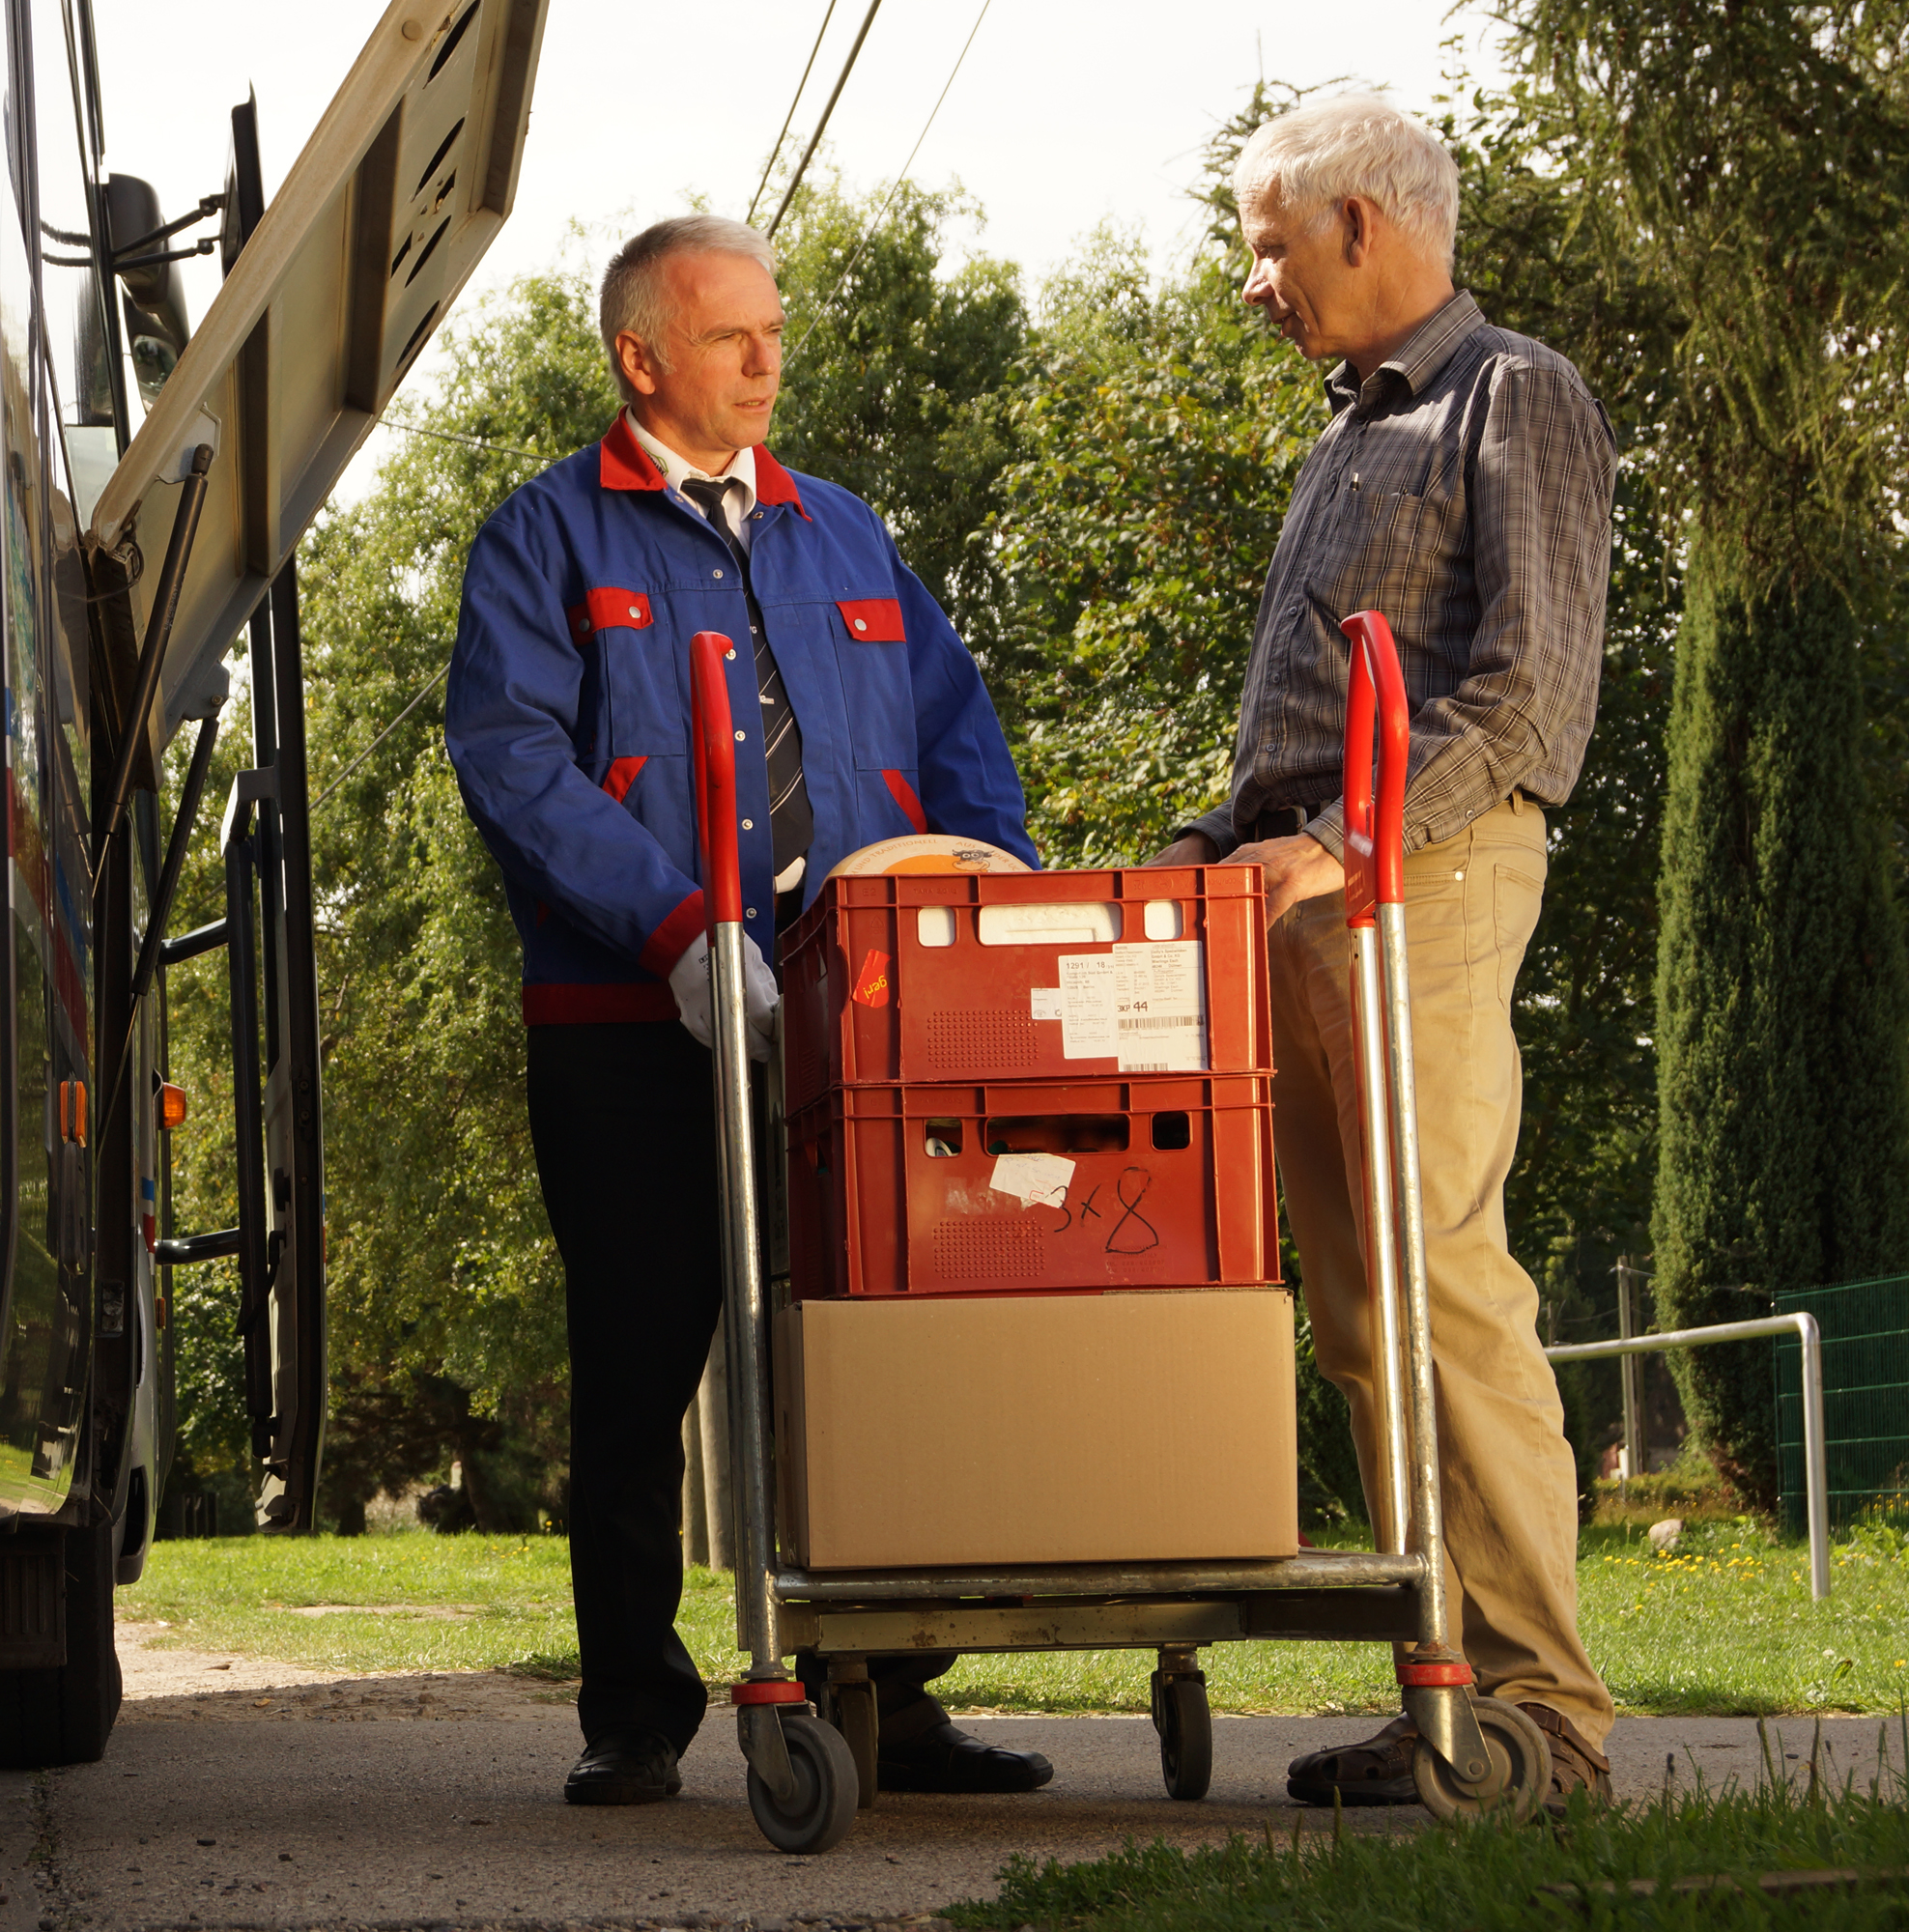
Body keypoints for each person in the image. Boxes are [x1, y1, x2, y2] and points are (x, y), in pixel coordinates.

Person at [444, 214, 1047, 1807]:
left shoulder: (847, 536)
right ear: (642, 357)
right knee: (641, 1364)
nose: (770, 360)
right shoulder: (546, 539)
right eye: (732, 338)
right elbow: (513, 762)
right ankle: (634, 1713)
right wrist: (675, 933)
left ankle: (889, 1696)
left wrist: (998, 907)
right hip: (630, 1030)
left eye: (775, 330)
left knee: (868, 1354)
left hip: (859, 1031)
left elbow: (958, 737)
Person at [1145, 94, 1618, 1813]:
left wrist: (1339, 845)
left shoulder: (1516, 396)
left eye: (1270, 243)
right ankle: (1439, 1678)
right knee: (1354, 1315)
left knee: (1440, 1283)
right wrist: (1210, 848)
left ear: (1361, 224)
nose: (1255, 279)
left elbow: (1526, 698)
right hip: (1297, 890)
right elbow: (1291, 722)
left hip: (1420, 876)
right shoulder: (1346, 437)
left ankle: (1543, 1716)